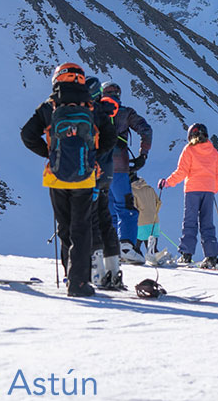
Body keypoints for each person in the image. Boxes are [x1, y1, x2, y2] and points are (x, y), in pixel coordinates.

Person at [20, 63, 117, 297]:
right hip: (85, 177)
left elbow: (27, 134)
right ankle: (79, 282)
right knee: (81, 229)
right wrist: (93, 156)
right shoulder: (92, 107)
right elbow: (110, 137)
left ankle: (67, 275)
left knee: (64, 228)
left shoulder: (49, 106)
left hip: (56, 176)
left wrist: (50, 154)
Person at [100, 81, 153, 264]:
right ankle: (126, 246)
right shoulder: (126, 113)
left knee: (110, 209)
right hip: (120, 167)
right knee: (126, 207)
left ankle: (111, 247)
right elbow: (146, 130)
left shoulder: (94, 112)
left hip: (98, 168)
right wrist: (142, 156)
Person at [159, 123, 218, 269]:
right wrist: (214, 189)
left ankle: (186, 254)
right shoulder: (213, 151)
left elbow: (181, 171)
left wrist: (167, 183)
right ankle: (212, 257)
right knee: (207, 223)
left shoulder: (189, 150)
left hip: (193, 190)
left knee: (190, 222)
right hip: (208, 191)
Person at [84, 77, 124, 290]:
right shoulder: (106, 113)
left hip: (94, 173)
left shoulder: (91, 113)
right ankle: (113, 271)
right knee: (106, 219)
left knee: (93, 220)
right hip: (108, 173)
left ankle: (97, 271)